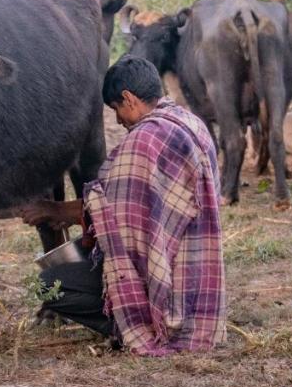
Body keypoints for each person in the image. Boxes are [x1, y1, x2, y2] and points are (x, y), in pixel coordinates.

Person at [19, 57, 226, 356]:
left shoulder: (144, 140)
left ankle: (133, 322)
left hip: (162, 278)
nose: (118, 120)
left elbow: (111, 214)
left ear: (129, 98)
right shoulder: (192, 123)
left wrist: (53, 210)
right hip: (199, 280)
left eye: (116, 109)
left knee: (46, 286)